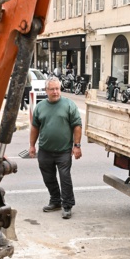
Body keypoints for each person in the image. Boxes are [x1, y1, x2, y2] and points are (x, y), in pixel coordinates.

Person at [28, 76, 82, 220]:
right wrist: (32, 145)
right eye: (52, 89)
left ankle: (67, 205)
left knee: (65, 177)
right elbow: (35, 127)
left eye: (57, 88)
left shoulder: (69, 105)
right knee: (48, 177)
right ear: (46, 90)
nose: (55, 92)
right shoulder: (40, 107)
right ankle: (55, 201)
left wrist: (77, 146)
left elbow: (77, 126)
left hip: (63, 150)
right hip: (45, 150)